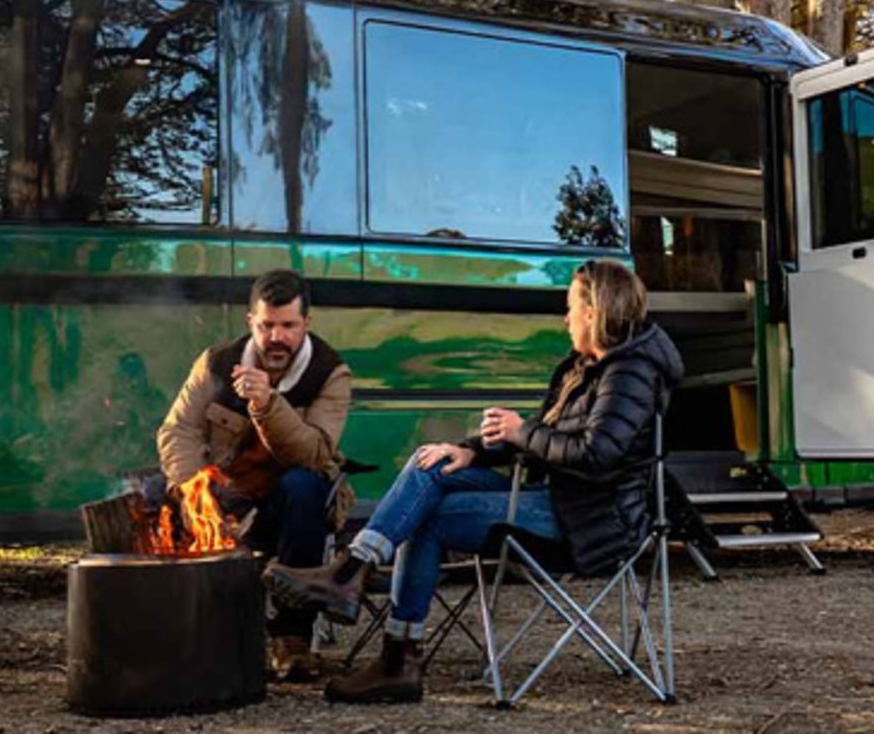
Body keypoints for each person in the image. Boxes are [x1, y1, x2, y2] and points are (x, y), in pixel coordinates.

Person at [265, 259, 682, 704]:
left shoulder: (631, 372)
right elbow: (546, 435)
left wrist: (523, 431)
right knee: (433, 464)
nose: (565, 319)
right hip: (559, 497)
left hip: (591, 520)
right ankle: (353, 576)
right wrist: (471, 450)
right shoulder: (585, 367)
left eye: (571, 309)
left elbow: (598, 455)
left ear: (595, 313)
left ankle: (393, 651)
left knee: (427, 516)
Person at [157, 269, 353, 682]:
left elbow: (314, 454)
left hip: (284, 508)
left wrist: (267, 405)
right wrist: (194, 490)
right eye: (267, 326)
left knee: (305, 487)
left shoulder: (330, 373)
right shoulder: (215, 363)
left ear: (306, 324)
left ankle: (291, 638)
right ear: (251, 322)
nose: (276, 337)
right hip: (226, 498)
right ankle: (174, 631)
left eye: (288, 326)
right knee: (153, 491)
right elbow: (179, 430)